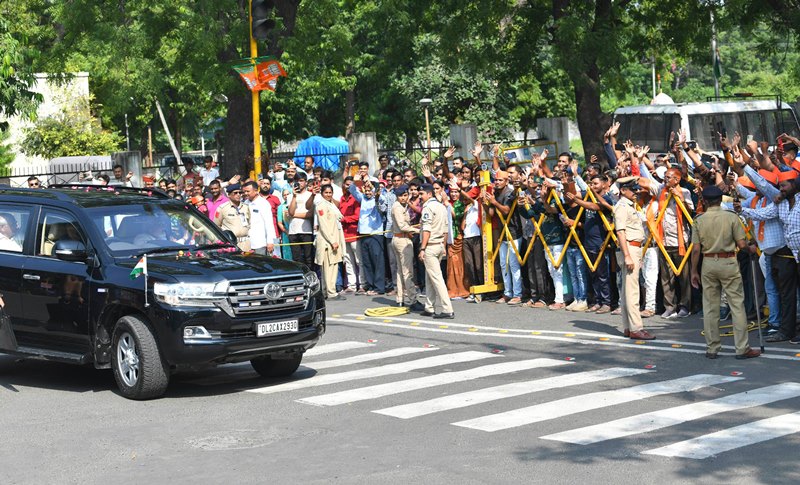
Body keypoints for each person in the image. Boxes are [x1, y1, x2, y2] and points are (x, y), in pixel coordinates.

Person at [694, 186, 760, 359]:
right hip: (728, 261)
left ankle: (712, 348)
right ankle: (742, 348)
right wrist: (751, 249)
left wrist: (693, 271)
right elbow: (742, 244)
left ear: (705, 201)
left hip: (708, 262)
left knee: (710, 307)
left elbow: (695, 250)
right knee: (736, 305)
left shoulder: (699, 220)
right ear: (720, 200)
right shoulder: (731, 217)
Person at [613, 177, 655, 340]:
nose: (636, 192)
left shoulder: (628, 205)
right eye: (632, 189)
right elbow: (620, 232)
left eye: (636, 189)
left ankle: (628, 327)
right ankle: (636, 328)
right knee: (632, 291)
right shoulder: (622, 207)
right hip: (629, 247)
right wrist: (628, 256)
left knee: (627, 290)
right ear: (623, 190)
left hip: (633, 247)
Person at [418, 183, 454, 318]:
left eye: (422, 194)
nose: (420, 196)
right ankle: (429, 307)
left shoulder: (427, 208)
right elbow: (445, 229)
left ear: (429, 194)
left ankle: (447, 309)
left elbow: (426, 230)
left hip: (431, 246)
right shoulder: (441, 206)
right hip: (439, 244)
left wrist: (422, 248)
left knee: (437, 278)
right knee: (430, 277)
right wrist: (443, 246)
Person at [349, 174, 385, 295]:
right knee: (367, 262)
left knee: (377, 261)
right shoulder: (363, 198)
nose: (368, 192)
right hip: (363, 234)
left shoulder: (378, 198)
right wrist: (356, 181)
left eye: (370, 190)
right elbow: (352, 190)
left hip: (375, 234)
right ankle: (370, 286)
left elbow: (381, 200)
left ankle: (379, 287)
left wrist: (373, 188)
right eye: (367, 190)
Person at [314, 184, 346, 300]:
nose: (328, 195)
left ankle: (327, 291)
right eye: (326, 193)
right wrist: (332, 241)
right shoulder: (321, 205)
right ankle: (331, 292)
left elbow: (339, 217)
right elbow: (323, 226)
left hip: (334, 238)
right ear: (322, 193)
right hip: (328, 241)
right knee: (329, 268)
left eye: (330, 192)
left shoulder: (330, 204)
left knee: (332, 266)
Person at [390, 184, 420, 307]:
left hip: (400, 238)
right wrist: (417, 230)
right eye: (400, 196)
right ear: (397, 197)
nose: (403, 198)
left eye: (405, 195)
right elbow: (402, 226)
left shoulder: (402, 206)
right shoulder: (397, 207)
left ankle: (400, 298)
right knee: (407, 271)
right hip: (402, 239)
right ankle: (413, 300)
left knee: (401, 271)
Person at [339, 176, 363, 292]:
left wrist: (344, 219)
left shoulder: (356, 198)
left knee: (359, 261)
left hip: (354, 233)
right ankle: (352, 285)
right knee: (348, 261)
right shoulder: (342, 198)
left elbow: (357, 216)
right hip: (344, 234)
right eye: (346, 184)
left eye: (350, 184)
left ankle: (362, 284)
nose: (348, 187)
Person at [287, 172, 315, 265]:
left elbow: (309, 214)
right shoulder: (290, 196)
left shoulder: (310, 195)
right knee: (296, 259)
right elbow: (291, 212)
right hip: (293, 231)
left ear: (306, 182)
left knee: (308, 258)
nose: (299, 183)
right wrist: (294, 196)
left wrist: (294, 215)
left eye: (301, 181)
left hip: (307, 231)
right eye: (297, 181)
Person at [214, 183, 251, 251]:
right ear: (229, 195)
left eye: (240, 193)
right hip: (231, 244)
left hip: (245, 243)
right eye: (235, 193)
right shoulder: (222, 208)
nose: (238, 195)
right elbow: (216, 226)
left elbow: (249, 224)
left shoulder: (246, 207)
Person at [243, 181, 276, 255]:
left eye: (248, 191)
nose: (245, 193)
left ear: (255, 191)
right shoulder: (245, 203)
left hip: (260, 243)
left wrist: (270, 241)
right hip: (247, 243)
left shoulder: (263, 203)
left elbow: (269, 223)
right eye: (244, 191)